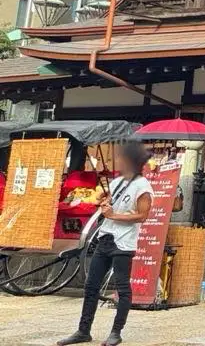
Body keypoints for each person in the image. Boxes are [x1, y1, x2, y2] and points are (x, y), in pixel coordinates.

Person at [59, 141, 153, 346]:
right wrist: (103, 200)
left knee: (122, 288)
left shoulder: (143, 186)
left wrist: (115, 214)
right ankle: (83, 330)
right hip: (105, 237)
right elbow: (109, 202)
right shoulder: (118, 181)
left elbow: (143, 216)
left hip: (123, 242)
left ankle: (116, 332)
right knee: (91, 285)